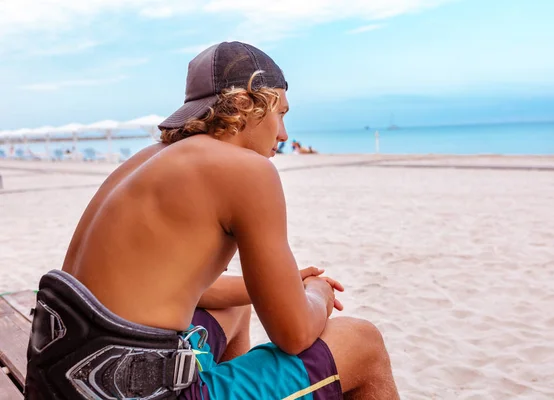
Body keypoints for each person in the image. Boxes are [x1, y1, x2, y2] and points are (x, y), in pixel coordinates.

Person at [24, 41, 399, 399]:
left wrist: (281, 286)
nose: (284, 134)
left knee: (233, 308)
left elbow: (180, 286)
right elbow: (294, 333)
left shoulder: (147, 160)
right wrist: (317, 291)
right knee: (363, 342)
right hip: (133, 392)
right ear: (249, 105)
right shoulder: (249, 171)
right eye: (280, 113)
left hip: (61, 381)